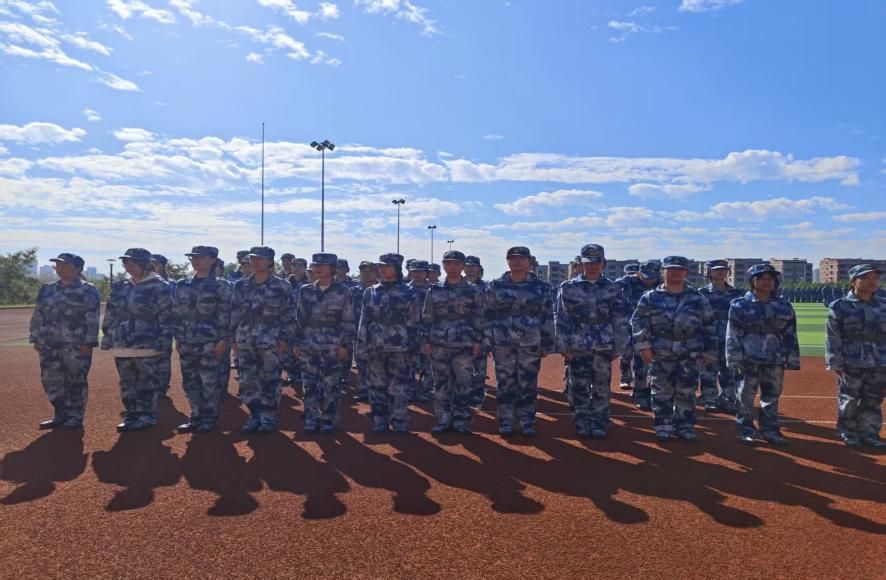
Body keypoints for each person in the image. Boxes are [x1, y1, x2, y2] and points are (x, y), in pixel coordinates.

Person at [631, 256, 716, 442]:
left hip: (689, 351)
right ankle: (663, 425)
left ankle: (685, 425)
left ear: (686, 272)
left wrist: (710, 350)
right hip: (661, 351)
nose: (676, 272)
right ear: (663, 272)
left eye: (680, 269)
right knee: (661, 390)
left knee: (686, 391)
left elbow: (709, 325)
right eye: (671, 269)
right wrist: (643, 346)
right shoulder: (650, 297)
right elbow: (638, 322)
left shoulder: (697, 298)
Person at [555, 244, 630, 439]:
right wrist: (562, 345)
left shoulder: (614, 288)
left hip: (603, 344)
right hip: (577, 344)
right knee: (578, 387)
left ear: (603, 264)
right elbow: (562, 317)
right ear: (581, 264)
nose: (592, 266)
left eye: (596, 262)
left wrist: (620, 345)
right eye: (588, 263)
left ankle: (599, 422)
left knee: (601, 387)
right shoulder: (568, 287)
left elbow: (620, 319)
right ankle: (581, 421)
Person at [726, 263, 800, 445]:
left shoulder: (783, 306)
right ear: (752, 281)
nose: (767, 282)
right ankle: (746, 430)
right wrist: (733, 358)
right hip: (748, 358)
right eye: (761, 278)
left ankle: (770, 430)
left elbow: (790, 334)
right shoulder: (739, 305)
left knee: (771, 397)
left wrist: (792, 358)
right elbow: (733, 334)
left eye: (770, 278)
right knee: (745, 398)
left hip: (775, 358)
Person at [101, 248, 175, 432]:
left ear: (144, 264)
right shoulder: (120, 286)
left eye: (133, 262)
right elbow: (111, 313)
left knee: (147, 383)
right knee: (127, 383)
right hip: (123, 343)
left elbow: (167, 316)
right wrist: (108, 335)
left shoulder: (160, 286)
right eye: (126, 262)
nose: (128, 266)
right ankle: (131, 415)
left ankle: (146, 415)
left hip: (148, 343)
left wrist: (164, 341)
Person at [485, 246, 554, 437]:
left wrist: (547, 342)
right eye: (512, 258)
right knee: (505, 383)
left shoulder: (541, 287)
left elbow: (548, 316)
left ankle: (527, 421)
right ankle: (506, 420)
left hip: (530, 342)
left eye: (521, 258)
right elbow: (487, 314)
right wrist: (487, 340)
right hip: (502, 342)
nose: (516, 261)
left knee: (528, 383)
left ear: (529, 261)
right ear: (507, 261)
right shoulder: (495, 285)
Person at [28, 253, 101, 430]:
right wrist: (35, 337)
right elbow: (38, 314)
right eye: (58, 265)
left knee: (76, 380)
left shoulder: (88, 290)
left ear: (78, 268)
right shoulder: (47, 289)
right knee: (51, 380)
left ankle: (75, 416)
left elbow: (92, 318)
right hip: (49, 343)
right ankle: (60, 414)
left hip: (76, 344)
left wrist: (89, 342)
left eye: (65, 265)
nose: (60, 268)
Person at [229, 246, 294, 433]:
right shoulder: (240, 286)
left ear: (270, 262)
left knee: (270, 381)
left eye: (260, 259)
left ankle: (268, 418)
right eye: (252, 258)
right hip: (245, 341)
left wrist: (284, 340)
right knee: (247, 382)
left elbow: (289, 316)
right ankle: (254, 415)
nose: (255, 262)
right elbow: (234, 313)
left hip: (270, 342)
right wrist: (232, 338)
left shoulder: (282, 286)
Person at [356, 253, 421, 434]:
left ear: (397, 269)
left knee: (399, 387)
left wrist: (413, 349)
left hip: (400, 347)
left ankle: (399, 420)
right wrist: (361, 347)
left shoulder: (409, 292)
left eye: (387, 266)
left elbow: (414, 322)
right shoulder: (371, 292)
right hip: (375, 346)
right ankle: (379, 420)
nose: (383, 269)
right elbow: (364, 321)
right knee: (376, 386)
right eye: (381, 266)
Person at [422, 251, 485, 434]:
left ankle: (460, 420)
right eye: (448, 263)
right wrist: (426, 340)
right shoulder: (434, 290)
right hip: (439, 343)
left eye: (457, 264)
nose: (453, 267)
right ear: (443, 265)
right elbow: (427, 317)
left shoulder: (474, 290)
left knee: (463, 383)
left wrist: (478, 341)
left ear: (463, 266)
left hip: (464, 343)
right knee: (441, 384)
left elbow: (479, 317)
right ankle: (443, 419)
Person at [292, 253, 356, 434]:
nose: (318, 269)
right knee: (309, 385)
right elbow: (299, 319)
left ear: (332, 268)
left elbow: (349, 320)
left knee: (331, 385)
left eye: (323, 265)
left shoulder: (343, 291)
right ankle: (311, 418)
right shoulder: (305, 291)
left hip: (332, 345)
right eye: (315, 266)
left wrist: (345, 345)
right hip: (308, 344)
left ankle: (329, 419)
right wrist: (296, 343)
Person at [173, 246, 232, 433]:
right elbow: (177, 314)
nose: (196, 261)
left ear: (213, 260)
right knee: (190, 382)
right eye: (193, 257)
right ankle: (195, 416)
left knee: (210, 382)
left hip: (210, 342)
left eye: (201, 257)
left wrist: (223, 340)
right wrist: (178, 338)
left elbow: (227, 315)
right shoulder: (182, 285)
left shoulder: (222, 286)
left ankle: (209, 417)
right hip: (187, 341)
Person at [825, 264, 885, 448]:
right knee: (849, 400)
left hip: (878, 362)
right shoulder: (840, 306)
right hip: (851, 361)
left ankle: (869, 433)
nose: (872, 282)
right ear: (853, 281)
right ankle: (847, 432)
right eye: (865, 278)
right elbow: (833, 336)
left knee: (873, 400)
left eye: (875, 278)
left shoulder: (883, 306)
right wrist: (835, 363)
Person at [698, 260, 744, 413]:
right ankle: (709, 399)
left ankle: (727, 399)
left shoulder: (736, 294)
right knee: (708, 371)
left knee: (729, 372)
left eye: (724, 269)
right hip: (709, 339)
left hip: (730, 338)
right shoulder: (701, 294)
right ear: (709, 272)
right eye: (716, 270)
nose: (720, 272)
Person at [617, 260, 661, 409]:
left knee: (659, 366)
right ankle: (640, 393)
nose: (649, 281)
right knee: (640, 363)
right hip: (636, 329)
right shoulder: (629, 282)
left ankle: (656, 394)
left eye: (653, 277)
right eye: (646, 277)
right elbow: (611, 285)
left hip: (658, 330)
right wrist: (631, 276)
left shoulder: (662, 283)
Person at [464, 255, 489, 407]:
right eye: (467, 266)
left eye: (473, 266)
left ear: (479, 268)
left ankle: (477, 394)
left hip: (481, 333)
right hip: (460, 333)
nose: (470, 269)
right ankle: (463, 394)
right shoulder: (457, 285)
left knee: (479, 367)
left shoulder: (487, 288)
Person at [353, 261, 379, 402]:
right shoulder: (353, 291)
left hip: (378, 334)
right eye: (364, 271)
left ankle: (376, 392)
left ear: (376, 273)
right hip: (358, 333)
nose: (367, 274)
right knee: (361, 362)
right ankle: (363, 390)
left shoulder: (380, 290)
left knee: (376, 365)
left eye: (370, 271)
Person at [407, 259, 433, 402]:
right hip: (408, 334)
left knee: (428, 365)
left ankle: (425, 391)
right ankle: (409, 391)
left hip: (428, 334)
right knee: (408, 364)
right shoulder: (404, 290)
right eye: (414, 271)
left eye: (420, 271)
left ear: (426, 273)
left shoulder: (433, 290)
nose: (417, 274)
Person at [150, 254, 176, 396]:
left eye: (155, 263)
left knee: (163, 358)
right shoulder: (144, 282)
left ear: (162, 266)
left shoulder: (171, 284)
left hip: (165, 328)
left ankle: (162, 386)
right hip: (147, 328)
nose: (152, 266)